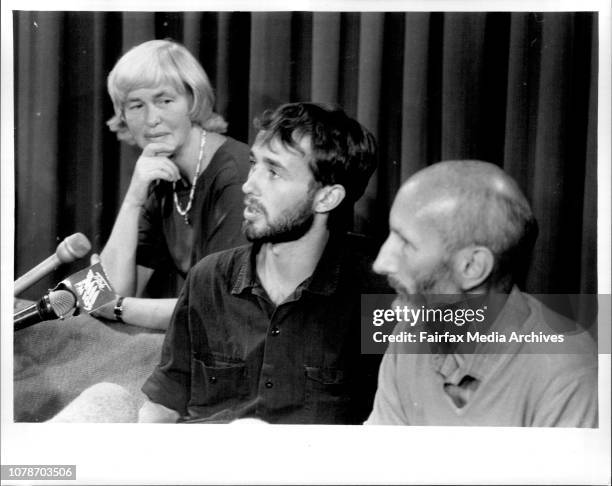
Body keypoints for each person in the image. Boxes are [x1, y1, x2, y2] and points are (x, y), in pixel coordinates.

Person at [138, 101, 388, 423]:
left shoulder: (378, 290)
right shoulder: (208, 279)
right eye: (254, 164)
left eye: (273, 171)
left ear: (327, 197)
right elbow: (164, 403)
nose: (248, 184)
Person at [365, 160, 598, 427]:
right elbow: (380, 462)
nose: (380, 263)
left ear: (472, 267)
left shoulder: (568, 374)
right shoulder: (409, 334)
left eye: (405, 242)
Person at [97, 39, 249, 330]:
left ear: (193, 100)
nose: (152, 119)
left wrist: (118, 308)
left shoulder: (237, 174)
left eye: (165, 100)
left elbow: (217, 308)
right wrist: (133, 197)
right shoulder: (161, 178)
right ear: (124, 116)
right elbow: (107, 290)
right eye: (136, 105)